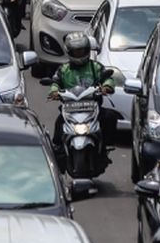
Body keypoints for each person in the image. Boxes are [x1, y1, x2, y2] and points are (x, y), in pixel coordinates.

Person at [48, 31, 117, 175]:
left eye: (82, 51)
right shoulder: (64, 69)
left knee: (110, 117)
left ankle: (105, 146)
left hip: (92, 107)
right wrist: (54, 91)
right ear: (69, 52)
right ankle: (59, 153)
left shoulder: (96, 67)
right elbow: (55, 82)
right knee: (58, 124)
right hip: (69, 108)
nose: (79, 54)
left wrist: (107, 86)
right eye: (76, 51)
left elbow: (107, 78)